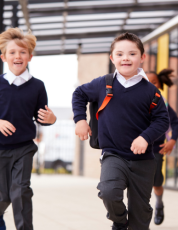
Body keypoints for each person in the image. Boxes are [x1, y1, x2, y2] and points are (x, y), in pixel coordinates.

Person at [72, 32, 169, 230]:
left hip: (143, 160)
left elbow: (162, 120)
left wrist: (145, 137)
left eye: (132, 54)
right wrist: (80, 120)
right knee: (109, 191)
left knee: (140, 217)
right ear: (112, 58)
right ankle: (119, 220)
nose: (126, 58)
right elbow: (79, 93)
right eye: (120, 54)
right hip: (113, 154)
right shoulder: (103, 83)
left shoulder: (152, 91)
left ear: (142, 57)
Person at [0, 28, 57, 230]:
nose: (18, 56)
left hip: (25, 147)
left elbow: (43, 117)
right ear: (3, 57)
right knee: (5, 195)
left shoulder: (38, 86)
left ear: (30, 56)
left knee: (21, 190)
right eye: (12, 52)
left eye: (23, 52)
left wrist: (52, 119)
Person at [147, 69, 178, 225]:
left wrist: (172, 140)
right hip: (136, 149)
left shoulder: (163, 104)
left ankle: (159, 204)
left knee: (156, 182)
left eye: (153, 82)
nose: (149, 85)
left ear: (160, 85)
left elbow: (175, 123)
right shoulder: (134, 102)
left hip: (156, 149)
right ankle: (142, 211)